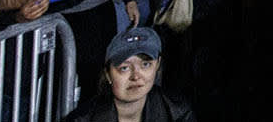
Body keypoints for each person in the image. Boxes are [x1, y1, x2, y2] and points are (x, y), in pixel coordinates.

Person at [68, 25, 200, 122]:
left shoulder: (178, 113)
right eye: (124, 68)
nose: (136, 76)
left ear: (158, 65)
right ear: (108, 73)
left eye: (145, 64)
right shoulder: (82, 119)